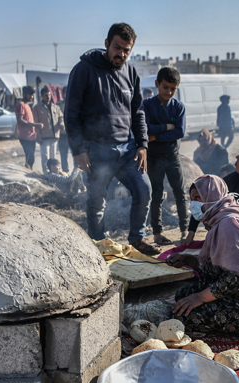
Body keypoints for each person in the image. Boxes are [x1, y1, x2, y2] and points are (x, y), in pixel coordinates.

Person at [65, 23, 158, 254]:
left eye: (127, 50)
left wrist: (143, 145)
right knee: (96, 201)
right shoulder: (84, 69)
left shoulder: (131, 73)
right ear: (107, 44)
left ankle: (137, 239)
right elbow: (71, 114)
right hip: (97, 150)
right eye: (118, 47)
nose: (122, 54)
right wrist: (78, 150)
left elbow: (138, 112)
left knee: (144, 190)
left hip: (128, 150)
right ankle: (99, 244)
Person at [167, 174, 239, 333]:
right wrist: (189, 259)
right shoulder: (225, 217)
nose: (193, 204)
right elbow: (220, 265)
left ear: (212, 196)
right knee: (181, 295)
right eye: (192, 198)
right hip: (235, 294)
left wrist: (200, 297)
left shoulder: (229, 225)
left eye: (198, 197)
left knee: (179, 315)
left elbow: (237, 277)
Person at [143, 67, 188, 246]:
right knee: (156, 194)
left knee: (180, 193)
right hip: (154, 157)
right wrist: (166, 127)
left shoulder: (178, 107)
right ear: (157, 84)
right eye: (165, 87)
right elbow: (145, 129)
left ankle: (185, 231)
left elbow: (180, 131)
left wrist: (157, 136)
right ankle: (158, 233)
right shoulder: (147, 105)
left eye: (173, 89)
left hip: (173, 156)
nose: (169, 92)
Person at [33, 85, 64, 174]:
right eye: (46, 95)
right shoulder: (37, 108)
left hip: (55, 136)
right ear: (42, 96)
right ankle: (46, 174)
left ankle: (54, 174)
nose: (48, 97)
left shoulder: (56, 107)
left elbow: (61, 117)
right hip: (44, 137)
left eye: (49, 95)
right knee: (45, 157)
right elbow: (35, 124)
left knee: (53, 157)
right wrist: (38, 137)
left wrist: (61, 125)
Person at [16, 86, 41, 171]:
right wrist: (35, 125)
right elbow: (20, 121)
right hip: (25, 137)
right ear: (24, 94)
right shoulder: (21, 105)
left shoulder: (27, 105)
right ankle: (28, 175)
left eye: (32, 95)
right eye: (30, 95)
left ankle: (30, 173)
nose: (31, 97)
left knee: (31, 158)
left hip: (31, 136)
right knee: (29, 158)